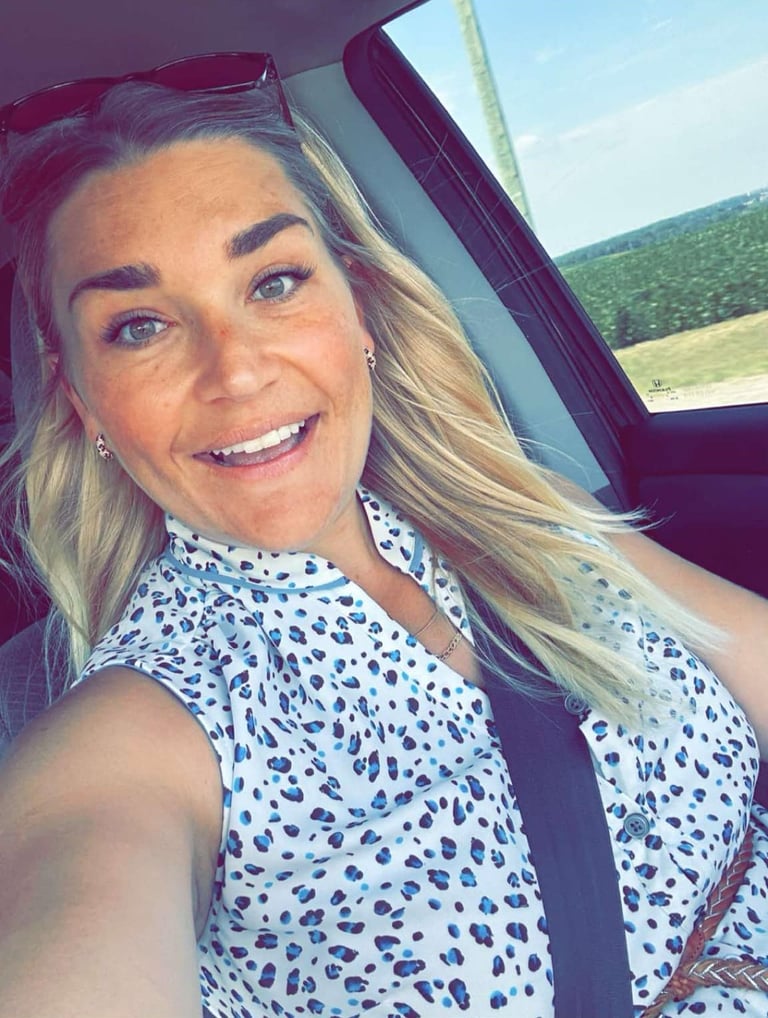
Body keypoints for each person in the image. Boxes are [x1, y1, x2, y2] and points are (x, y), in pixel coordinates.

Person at [0, 59, 766, 1018]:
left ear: (358, 308)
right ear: (80, 399)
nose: (236, 373)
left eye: (275, 281)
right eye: (140, 326)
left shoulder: (528, 512)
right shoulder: (133, 738)